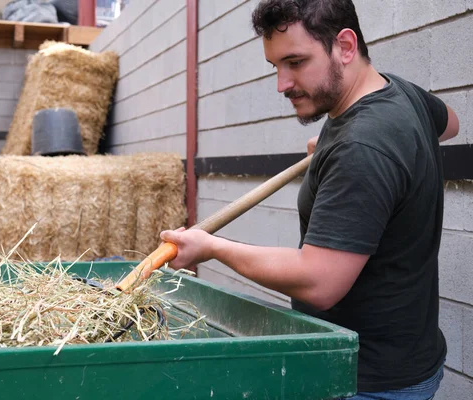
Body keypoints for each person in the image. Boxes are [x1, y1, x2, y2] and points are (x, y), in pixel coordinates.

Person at [159, 0, 460, 398]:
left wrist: (213, 247)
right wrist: (340, 146)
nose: (282, 84)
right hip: (408, 358)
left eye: (296, 62)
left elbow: (320, 282)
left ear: (346, 46)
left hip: (364, 379)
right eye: (276, 66)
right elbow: (450, 123)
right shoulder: (396, 93)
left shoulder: (363, 146)